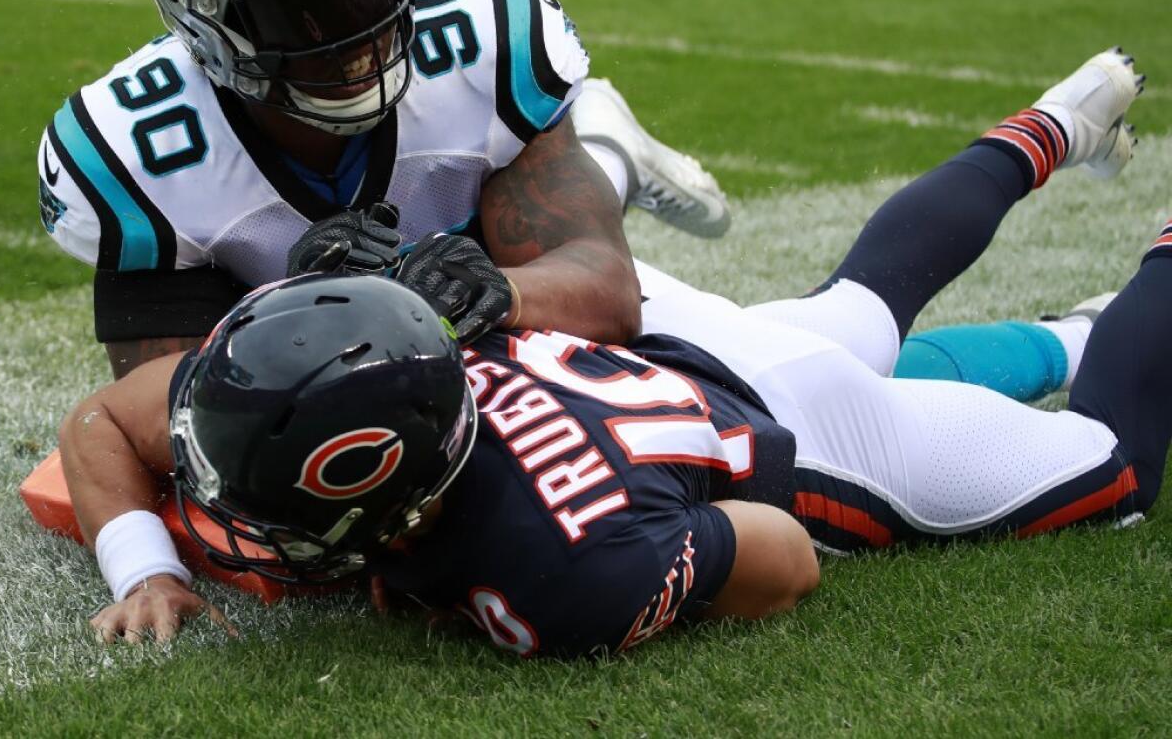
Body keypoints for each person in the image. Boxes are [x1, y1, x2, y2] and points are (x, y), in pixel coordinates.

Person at [59, 47, 1160, 655]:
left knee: (1114, 465)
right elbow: (105, 419)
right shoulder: (354, 349)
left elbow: (781, 552)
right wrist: (145, 568)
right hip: (654, 330)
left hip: (800, 434)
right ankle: (1061, 129)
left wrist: (512, 581)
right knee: (864, 305)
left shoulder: (552, 574)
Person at [36, 0, 731, 380]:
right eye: (297, 11)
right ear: (201, 19)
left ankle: (608, 148)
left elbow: (609, 292)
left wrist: (494, 290)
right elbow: (161, 418)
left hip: (488, 229)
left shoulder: (483, 48)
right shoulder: (131, 153)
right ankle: (608, 143)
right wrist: (295, 312)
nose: (357, 31)